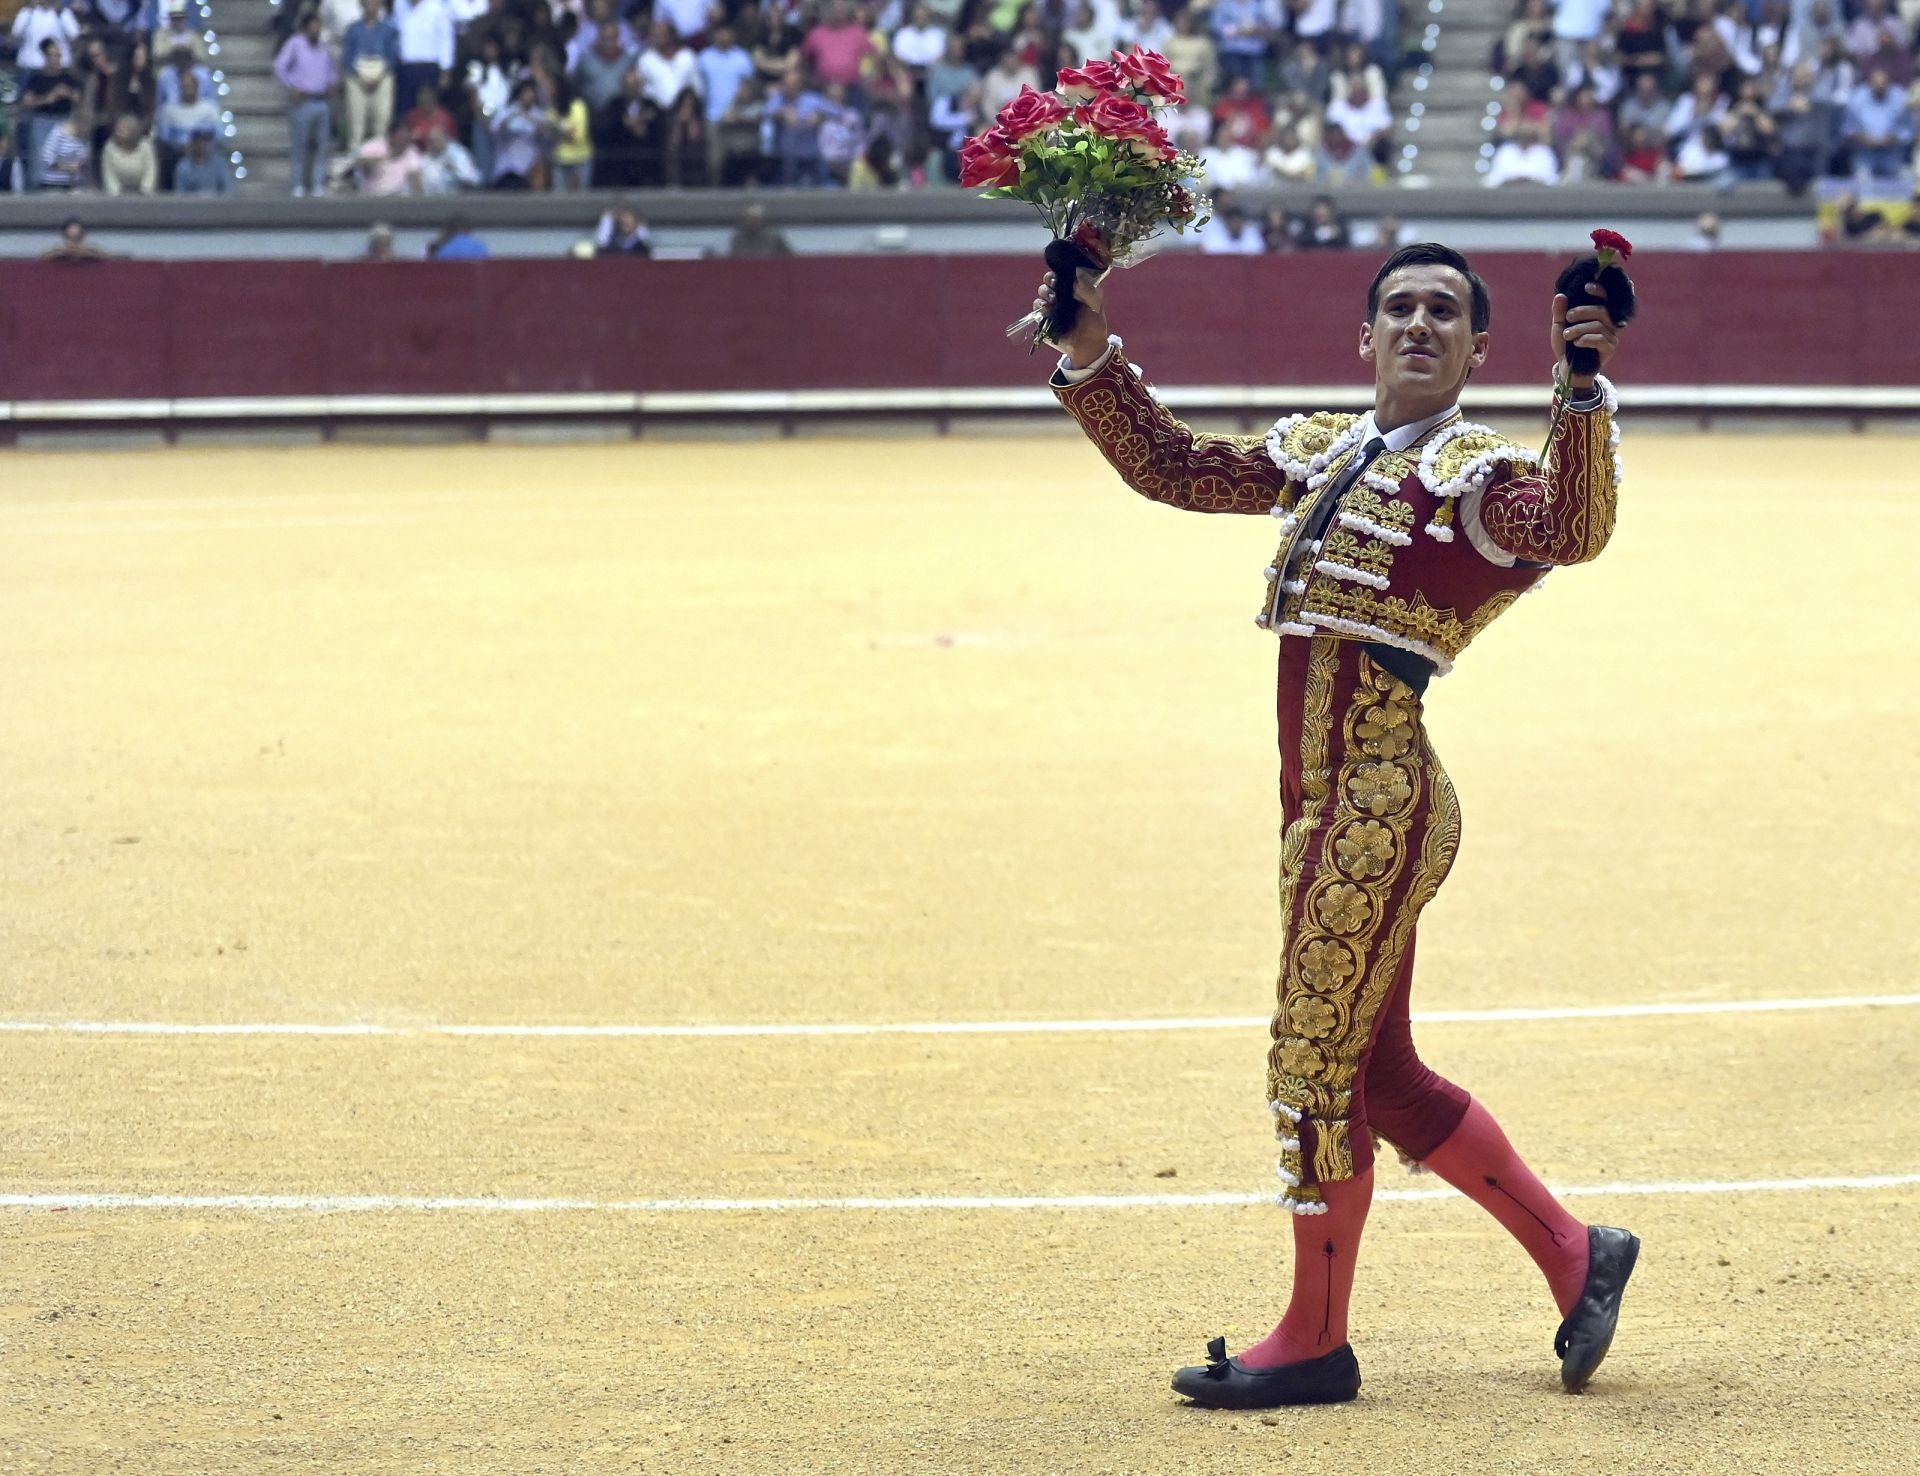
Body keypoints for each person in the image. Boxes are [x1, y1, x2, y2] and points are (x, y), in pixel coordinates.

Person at [1031, 240, 1634, 1408]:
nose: (1419, 323)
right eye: (1399, 307)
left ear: (1476, 350)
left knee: (1314, 1064)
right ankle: (1576, 1251)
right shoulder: (1328, 449)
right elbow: (1176, 468)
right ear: (1365, 339)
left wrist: (1579, 388)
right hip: (1320, 805)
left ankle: (1313, 1337)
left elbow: (1574, 525)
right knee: (1384, 1076)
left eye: (1444, 312)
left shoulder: (1482, 479)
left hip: (1375, 802)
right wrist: (1087, 345)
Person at [275, 9, 338, 196]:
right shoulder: (295, 44)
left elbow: (332, 71)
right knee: (299, 146)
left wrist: (332, 84)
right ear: (305, 28)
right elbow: (279, 66)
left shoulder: (324, 47)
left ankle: (318, 184)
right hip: (302, 101)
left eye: (319, 26)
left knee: (322, 146)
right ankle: (297, 185)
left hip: (322, 101)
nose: (317, 30)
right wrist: (290, 86)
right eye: (313, 26)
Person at [341, 0, 400, 157]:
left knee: (382, 120)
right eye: (369, 3)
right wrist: (360, 77)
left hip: (382, 76)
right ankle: (355, 162)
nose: (372, 7)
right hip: (357, 76)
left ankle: (379, 158)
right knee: (357, 122)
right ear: (362, 5)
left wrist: (379, 76)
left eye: (375, 4)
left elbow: (392, 56)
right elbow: (347, 57)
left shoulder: (387, 29)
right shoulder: (353, 29)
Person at [99, 113, 157, 194]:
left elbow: (150, 171)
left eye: (122, 130)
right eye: (117, 130)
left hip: (142, 194)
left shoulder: (146, 146)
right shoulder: (110, 147)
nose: (118, 132)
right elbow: (108, 173)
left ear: (133, 132)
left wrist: (145, 190)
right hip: (117, 195)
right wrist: (115, 193)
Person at [171, 126, 234, 193]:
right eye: (197, 141)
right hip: (192, 203)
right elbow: (180, 194)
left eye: (205, 141)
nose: (201, 145)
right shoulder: (182, 166)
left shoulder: (220, 164)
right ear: (192, 143)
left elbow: (228, 190)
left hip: (217, 203)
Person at [727, 200, 792, 256]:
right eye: (748, 219)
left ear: (761, 220)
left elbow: (790, 258)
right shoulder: (738, 239)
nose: (751, 222)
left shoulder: (774, 238)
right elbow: (732, 260)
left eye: (754, 219)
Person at [42, 215, 111, 259]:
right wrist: (61, 252)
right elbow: (41, 259)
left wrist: (88, 253)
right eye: (71, 228)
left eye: (76, 228)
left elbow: (109, 258)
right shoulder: (58, 250)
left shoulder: (92, 249)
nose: (73, 230)